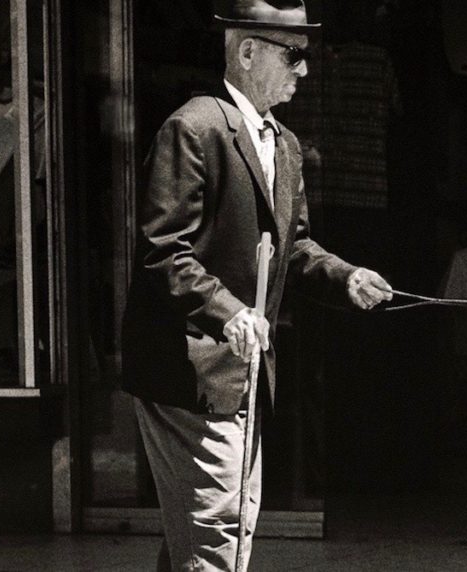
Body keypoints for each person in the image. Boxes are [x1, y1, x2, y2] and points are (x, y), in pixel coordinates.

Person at [120, 1, 393, 570]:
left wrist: (347, 277)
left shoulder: (284, 144)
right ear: (247, 52)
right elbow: (163, 250)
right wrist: (229, 312)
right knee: (216, 533)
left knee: (216, 531)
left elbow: (295, 247)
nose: (304, 70)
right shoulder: (194, 127)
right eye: (293, 55)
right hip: (189, 373)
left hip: (241, 374)